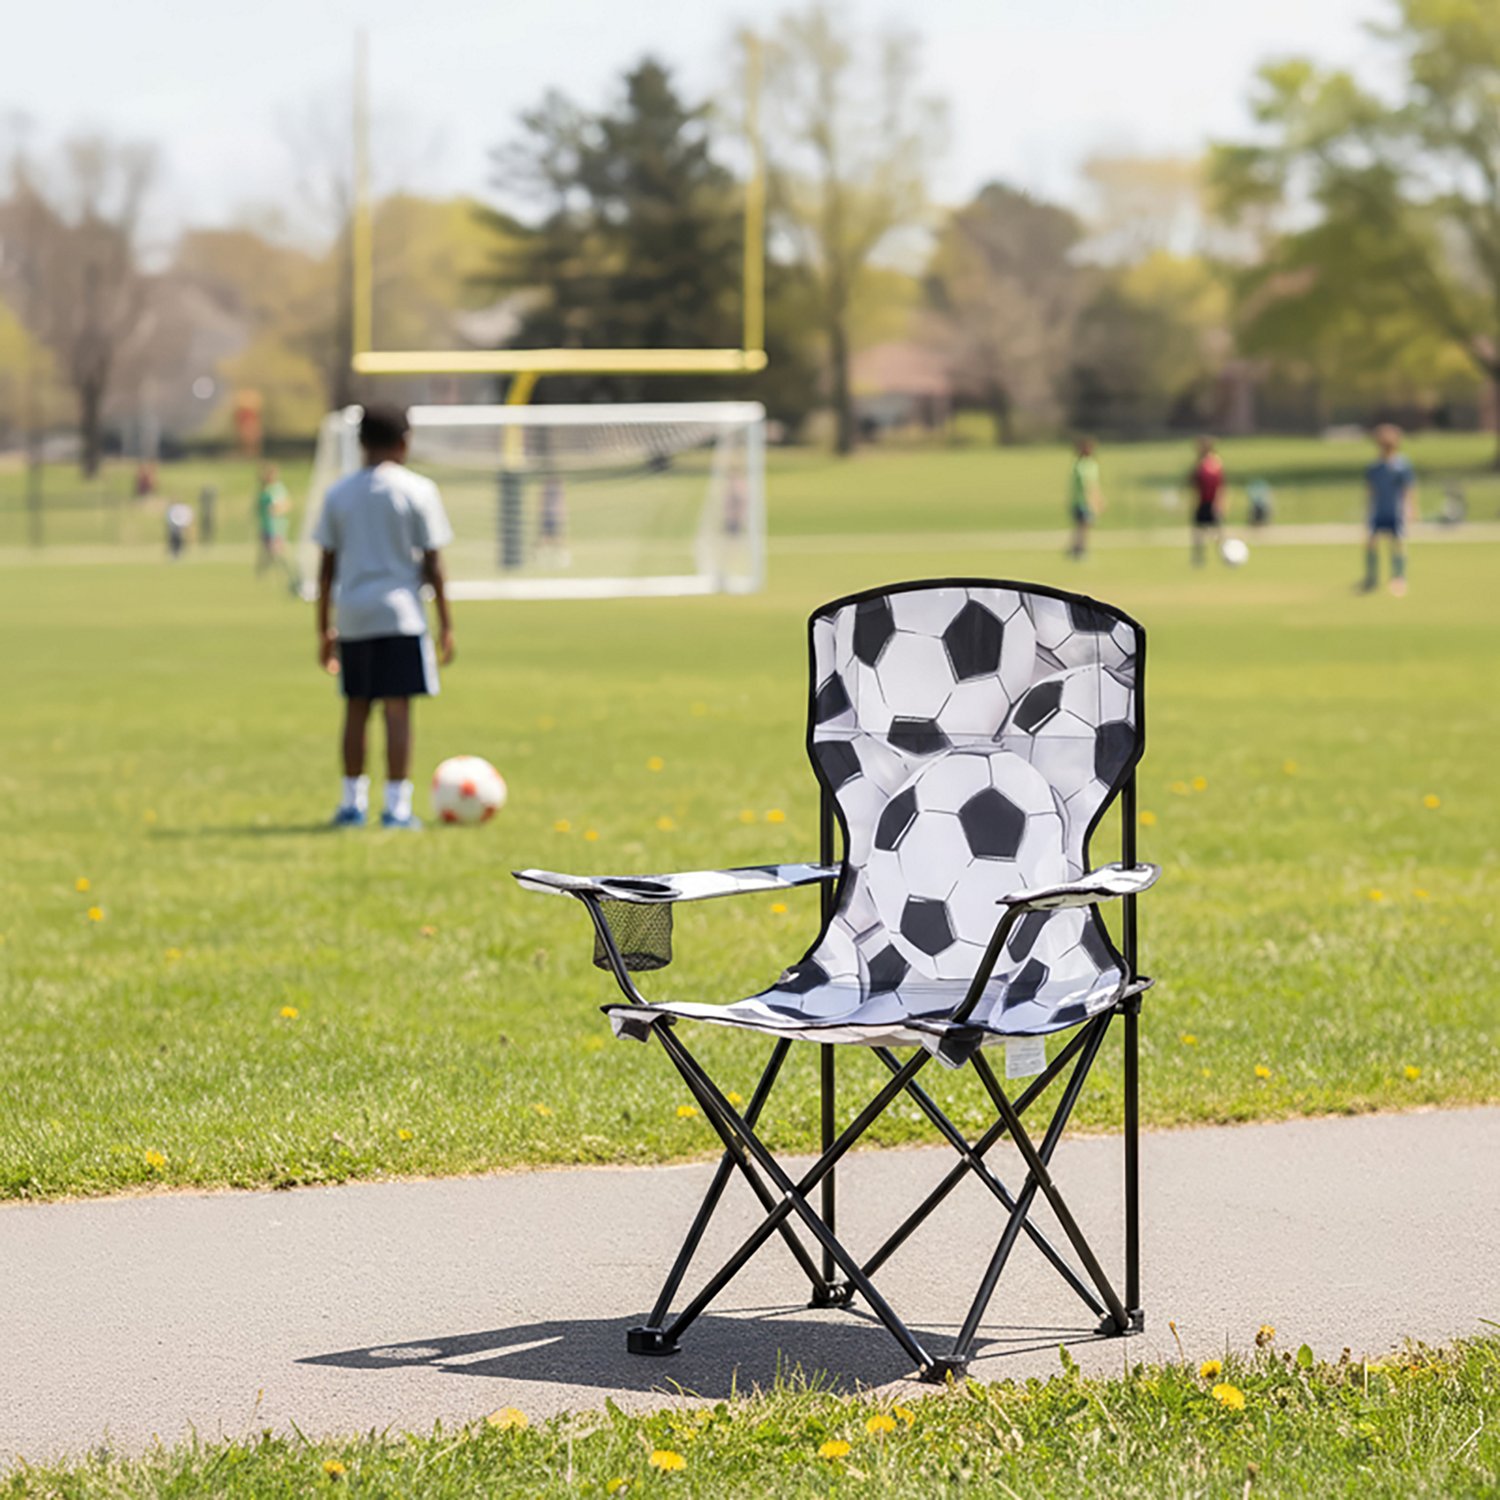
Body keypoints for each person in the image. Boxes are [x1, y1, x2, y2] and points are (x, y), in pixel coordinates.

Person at [314, 404, 455, 830]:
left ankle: (351, 804)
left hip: (354, 613)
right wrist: (446, 622)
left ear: (359, 442)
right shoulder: (418, 490)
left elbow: (326, 567)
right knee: (397, 710)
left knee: (356, 707)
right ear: (404, 441)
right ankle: (396, 808)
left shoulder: (339, 493)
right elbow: (434, 563)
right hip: (400, 614)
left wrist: (323, 627)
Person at [1361, 424, 1417, 596]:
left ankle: (1398, 577)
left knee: (1398, 543)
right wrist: (1367, 510)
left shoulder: (1402, 465)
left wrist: (1411, 508)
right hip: (1379, 511)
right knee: (1371, 542)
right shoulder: (1374, 467)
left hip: (1395, 511)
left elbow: (1409, 489)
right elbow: (1370, 491)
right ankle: (1371, 577)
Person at [1189, 436, 1226, 566]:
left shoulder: (1214, 464)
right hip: (1202, 502)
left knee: (1217, 533)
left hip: (1212, 502)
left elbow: (1221, 486)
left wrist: (1220, 503)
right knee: (1198, 533)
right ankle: (1199, 558)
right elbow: (1194, 484)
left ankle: (1225, 555)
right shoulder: (1199, 464)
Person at [1066, 437, 1103, 559]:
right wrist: (1092, 501)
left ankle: (1077, 548)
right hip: (1081, 501)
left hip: (1085, 500)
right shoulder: (1080, 465)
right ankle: (1079, 549)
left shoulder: (1091, 464)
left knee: (1082, 527)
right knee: (1082, 526)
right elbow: (1086, 484)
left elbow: (1094, 484)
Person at [255, 463, 291, 577]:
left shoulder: (278, 489)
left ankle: (286, 571)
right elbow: (259, 507)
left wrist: (276, 510)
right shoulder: (264, 489)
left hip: (277, 526)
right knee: (266, 552)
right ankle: (262, 574)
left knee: (276, 551)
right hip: (266, 525)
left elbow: (286, 504)